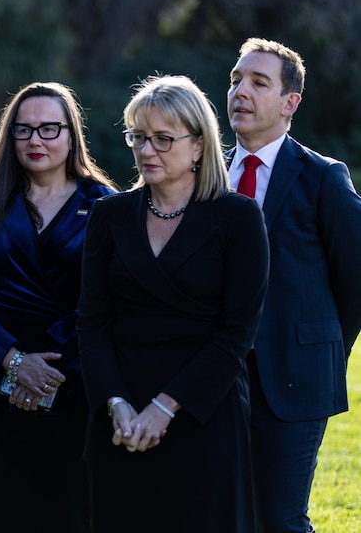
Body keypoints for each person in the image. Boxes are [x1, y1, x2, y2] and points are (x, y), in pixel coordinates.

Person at [77, 75, 269, 532]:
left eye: (163, 139)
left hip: (203, 414)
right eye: (138, 138)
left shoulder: (239, 218)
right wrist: (118, 404)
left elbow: (235, 335)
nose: (146, 151)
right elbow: (91, 323)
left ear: (199, 146)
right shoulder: (109, 215)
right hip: (120, 420)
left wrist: (163, 409)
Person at [0, 82, 115, 532]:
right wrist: (13, 363)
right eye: (23, 130)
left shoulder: (106, 207)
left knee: (75, 515)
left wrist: (46, 373)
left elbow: (108, 304)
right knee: (3, 515)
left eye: (49, 128)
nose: (36, 140)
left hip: (76, 392)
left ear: (72, 135)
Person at [226, 38, 361, 533]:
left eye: (259, 82)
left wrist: (322, 346)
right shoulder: (204, 175)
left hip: (295, 380)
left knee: (280, 520)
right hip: (217, 380)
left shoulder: (324, 177)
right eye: (236, 80)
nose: (241, 91)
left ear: (290, 102)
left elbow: (356, 276)